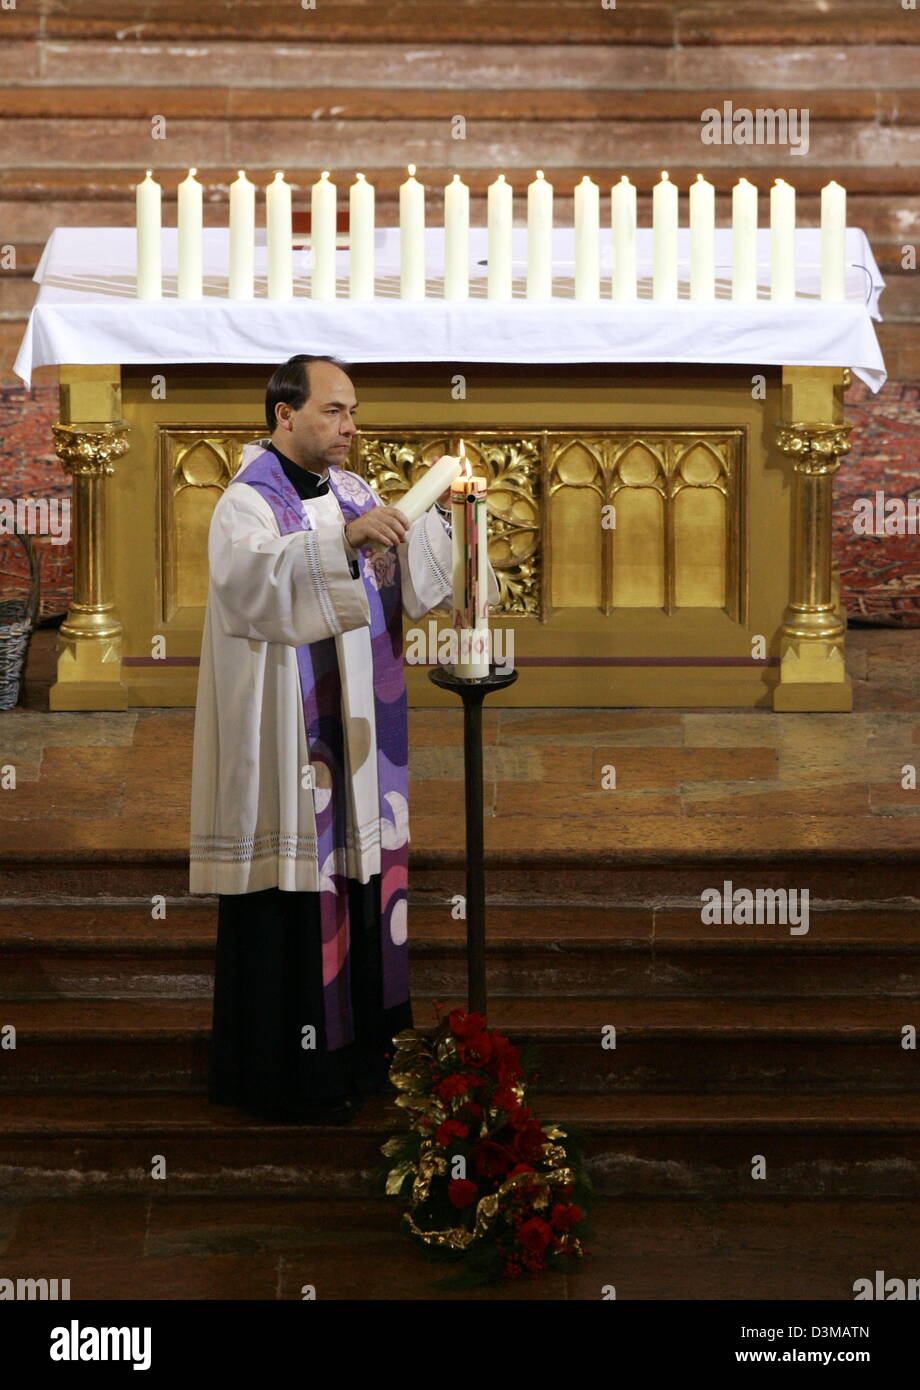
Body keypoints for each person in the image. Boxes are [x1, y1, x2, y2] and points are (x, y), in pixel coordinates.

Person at [189, 354, 498, 1124]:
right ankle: (288, 1079)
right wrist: (340, 544)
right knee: (293, 901)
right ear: (283, 415)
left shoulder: (354, 490)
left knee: (359, 886)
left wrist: (447, 520)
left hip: (356, 747)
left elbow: (412, 589)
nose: (350, 426)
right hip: (287, 750)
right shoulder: (246, 503)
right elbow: (248, 588)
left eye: (353, 411)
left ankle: (364, 1060)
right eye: (333, 410)